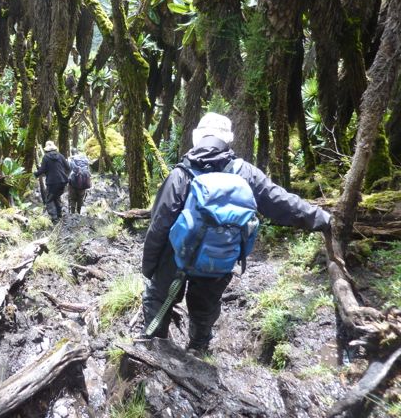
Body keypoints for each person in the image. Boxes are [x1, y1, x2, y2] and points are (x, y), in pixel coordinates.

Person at [141, 112, 331, 355]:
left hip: (176, 256)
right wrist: (322, 219)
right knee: (205, 306)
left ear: (197, 138)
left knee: (159, 297)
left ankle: (154, 349)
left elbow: (159, 225)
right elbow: (280, 202)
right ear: (227, 140)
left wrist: (149, 268)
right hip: (220, 257)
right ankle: (198, 349)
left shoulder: (181, 174)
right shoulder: (245, 172)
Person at [34, 140, 70, 222]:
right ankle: (59, 215)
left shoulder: (46, 157)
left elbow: (42, 170)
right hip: (63, 181)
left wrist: (34, 175)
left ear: (46, 149)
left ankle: (54, 218)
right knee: (56, 197)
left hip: (52, 182)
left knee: (49, 200)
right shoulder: (60, 156)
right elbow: (68, 167)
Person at [68, 148, 92, 214]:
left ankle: (72, 214)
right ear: (77, 152)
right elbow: (88, 170)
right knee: (80, 198)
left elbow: (68, 169)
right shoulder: (84, 159)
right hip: (83, 183)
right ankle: (79, 213)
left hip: (73, 183)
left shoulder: (71, 159)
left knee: (72, 198)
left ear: (71, 152)